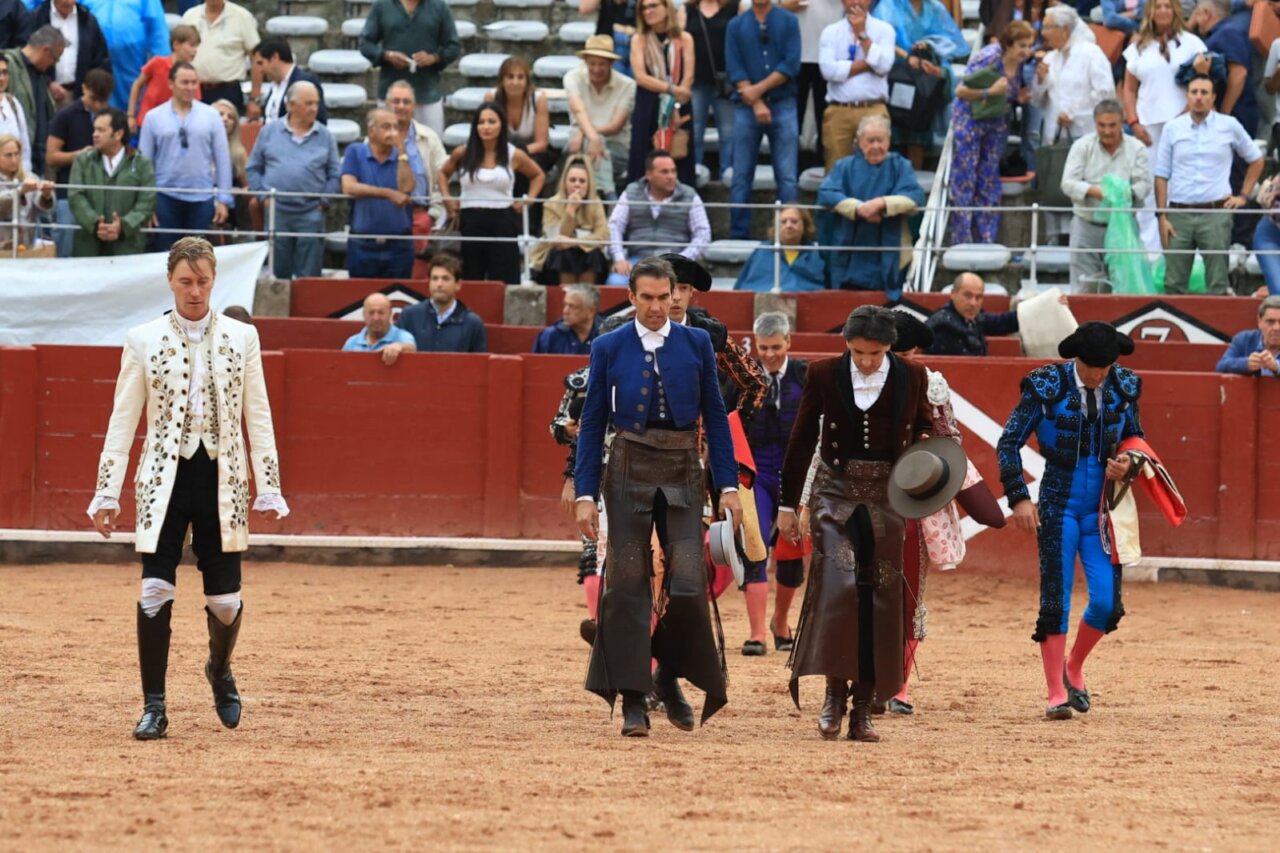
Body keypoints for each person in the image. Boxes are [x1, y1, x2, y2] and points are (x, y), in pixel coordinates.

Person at [87, 236, 288, 740]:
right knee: (155, 589)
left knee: (226, 601)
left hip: (223, 479)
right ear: (170, 281)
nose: (194, 291)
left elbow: (257, 415)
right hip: (163, 478)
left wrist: (269, 486)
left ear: (214, 280)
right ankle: (154, 705)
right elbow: (122, 420)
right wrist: (107, 491)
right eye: (185, 282)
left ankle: (219, 670)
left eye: (202, 282)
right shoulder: (143, 338)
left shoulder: (243, 337)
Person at [574, 256, 742, 737]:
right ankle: (633, 700)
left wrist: (727, 486)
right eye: (644, 298)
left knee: (689, 582)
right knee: (627, 583)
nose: (654, 307)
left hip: (684, 467)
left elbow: (715, 414)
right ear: (630, 298)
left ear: (675, 296)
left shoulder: (696, 343)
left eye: (662, 297)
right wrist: (586, 492)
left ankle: (666, 677)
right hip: (627, 468)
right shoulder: (608, 346)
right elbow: (591, 424)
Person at [775, 305, 934, 742]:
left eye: (875, 352)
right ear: (846, 344)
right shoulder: (824, 374)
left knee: (879, 600)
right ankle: (833, 696)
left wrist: (921, 449)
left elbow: (924, 426)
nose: (866, 360)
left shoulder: (912, 376)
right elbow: (803, 436)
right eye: (859, 352)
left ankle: (863, 706)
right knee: (838, 590)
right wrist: (789, 504)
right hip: (835, 492)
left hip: (888, 496)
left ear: (889, 347)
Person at [997, 322, 1143, 720]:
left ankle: (1074, 665)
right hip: (1057, 502)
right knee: (1055, 597)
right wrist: (1019, 498)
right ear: (1075, 358)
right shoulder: (1046, 384)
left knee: (1107, 604)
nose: (1098, 375)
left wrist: (1129, 462)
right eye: (1091, 367)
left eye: (1105, 367)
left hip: (1101, 510)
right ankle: (1055, 692)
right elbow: (1009, 441)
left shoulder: (1125, 386)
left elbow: (1136, 440)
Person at [725, 311, 808, 653]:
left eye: (777, 346)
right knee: (755, 543)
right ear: (755, 345)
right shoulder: (742, 378)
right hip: (754, 471)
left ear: (788, 342)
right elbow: (726, 426)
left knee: (791, 551)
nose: (770, 353)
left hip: (794, 471)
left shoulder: (806, 375)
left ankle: (781, 622)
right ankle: (757, 632)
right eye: (764, 347)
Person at [1153, 74, 1262, 295]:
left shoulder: (1229, 125)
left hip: (1216, 212)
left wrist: (1243, 196)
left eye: (1204, 93)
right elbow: (1161, 175)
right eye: (1194, 92)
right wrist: (1162, 216)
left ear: (1213, 97)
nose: (1199, 98)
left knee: (1217, 283)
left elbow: (1256, 159)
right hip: (1178, 214)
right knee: (1173, 284)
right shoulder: (1172, 128)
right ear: (1187, 96)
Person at [1122, 0, 1206, 253]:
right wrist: (1133, 121)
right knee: (1149, 189)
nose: (1162, 11)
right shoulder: (1138, 47)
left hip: (1185, 125)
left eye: (1167, 6)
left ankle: (1188, 252)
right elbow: (1128, 88)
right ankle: (1151, 252)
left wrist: (1188, 113)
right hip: (1148, 129)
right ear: (1150, 12)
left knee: (1184, 185)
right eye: (1157, 6)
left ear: (1175, 11)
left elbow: (1205, 82)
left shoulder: (1192, 43)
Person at [948, 20, 1035, 245]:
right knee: (966, 178)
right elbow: (961, 90)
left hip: (996, 122)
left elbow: (1009, 93)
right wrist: (989, 91)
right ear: (1009, 44)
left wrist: (1018, 97)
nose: (1026, 51)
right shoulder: (989, 56)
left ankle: (986, 238)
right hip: (970, 119)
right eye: (1022, 46)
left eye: (1029, 46)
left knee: (988, 179)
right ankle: (962, 239)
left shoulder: (1023, 64)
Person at [438, 103, 545, 284]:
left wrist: (528, 200)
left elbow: (538, 175)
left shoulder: (514, 154)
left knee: (505, 278)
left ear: (501, 125)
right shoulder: (463, 152)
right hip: (470, 220)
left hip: (502, 220)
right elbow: (442, 173)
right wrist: (448, 200)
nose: (486, 127)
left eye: (491, 121)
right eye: (481, 122)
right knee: (471, 277)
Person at [819, 115, 924, 298]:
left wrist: (881, 204)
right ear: (859, 142)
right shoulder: (844, 166)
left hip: (889, 241)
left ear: (889, 141)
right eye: (870, 141)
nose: (876, 146)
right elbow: (827, 192)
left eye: (880, 140)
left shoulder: (900, 166)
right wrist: (859, 209)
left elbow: (914, 195)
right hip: (850, 243)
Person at [245, 81, 341, 280]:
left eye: (316, 103)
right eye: (308, 103)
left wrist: (323, 203)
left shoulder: (325, 136)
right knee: (278, 273)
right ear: (291, 105)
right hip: (277, 212)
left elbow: (334, 175)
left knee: (310, 274)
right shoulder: (269, 131)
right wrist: (264, 198)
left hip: (311, 212)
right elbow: (253, 168)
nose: (314, 108)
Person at [724, 0, 800, 239]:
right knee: (741, 175)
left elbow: (791, 63)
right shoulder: (735, 25)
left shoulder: (789, 21)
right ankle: (738, 235)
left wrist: (758, 91)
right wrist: (756, 101)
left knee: (787, 176)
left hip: (783, 103)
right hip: (747, 108)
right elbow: (734, 68)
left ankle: (792, 235)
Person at [138, 62, 232, 251]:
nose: (190, 87)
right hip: (165, 196)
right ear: (171, 83)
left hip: (201, 196)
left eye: (193, 82)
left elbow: (222, 158)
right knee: (165, 255)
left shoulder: (211, 116)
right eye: (184, 82)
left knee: (197, 256)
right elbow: (145, 163)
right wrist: (145, 203)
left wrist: (224, 199)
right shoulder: (153, 117)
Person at [1061, 100, 1152, 289]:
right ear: (1095, 124)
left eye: (1112, 125)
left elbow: (1144, 185)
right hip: (1087, 226)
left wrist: (1122, 193)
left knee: (1124, 286)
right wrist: (1096, 192)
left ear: (1122, 123)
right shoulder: (1082, 146)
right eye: (1102, 125)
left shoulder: (1137, 148)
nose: (1107, 131)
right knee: (1084, 287)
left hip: (1124, 228)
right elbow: (1067, 183)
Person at [872, 0, 968, 169]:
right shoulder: (887, 6)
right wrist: (907, 56)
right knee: (891, 130)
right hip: (895, 74)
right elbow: (876, 39)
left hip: (924, 77)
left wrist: (929, 46)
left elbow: (951, 39)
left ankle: (914, 182)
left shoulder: (935, 8)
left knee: (918, 131)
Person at [359, 0, 460, 134]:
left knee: (430, 146)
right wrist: (387, 55)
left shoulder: (439, 6)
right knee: (387, 144)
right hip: (391, 93)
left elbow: (453, 46)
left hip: (427, 93)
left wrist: (434, 58)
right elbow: (365, 43)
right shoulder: (382, 6)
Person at [818, 0, 896, 173]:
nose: (856, 2)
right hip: (839, 109)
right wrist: (868, 64)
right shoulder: (830, 32)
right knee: (836, 170)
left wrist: (862, 34)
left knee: (876, 168)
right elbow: (828, 71)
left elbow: (883, 66)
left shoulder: (884, 30)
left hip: (873, 107)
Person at [608, 149, 710, 278]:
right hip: (637, 261)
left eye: (673, 171)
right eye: (664, 172)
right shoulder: (631, 192)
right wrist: (619, 258)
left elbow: (703, 234)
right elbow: (614, 225)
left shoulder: (689, 195)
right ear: (649, 174)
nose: (671, 176)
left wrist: (682, 260)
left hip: (675, 263)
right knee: (616, 283)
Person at [67, 106, 155, 256]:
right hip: (88, 248)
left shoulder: (141, 163)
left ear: (118, 134)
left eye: (101, 130)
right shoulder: (83, 161)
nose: (95, 135)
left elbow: (147, 202)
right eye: (95, 129)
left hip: (127, 249)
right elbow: (75, 195)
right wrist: (95, 225)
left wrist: (124, 226)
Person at [341, 107, 416, 279]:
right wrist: (388, 193)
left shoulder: (402, 157)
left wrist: (402, 153)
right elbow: (349, 187)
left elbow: (406, 188)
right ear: (371, 131)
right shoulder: (355, 151)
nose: (393, 132)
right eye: (386, 127)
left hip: (399, 245)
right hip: (363, 244)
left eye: (396, 127)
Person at [628, 0, 696, 187]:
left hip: (679, 104)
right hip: (649, 103)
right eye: (644, 8)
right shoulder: (638, 39)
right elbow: (641, 76)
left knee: (680, 154)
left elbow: (688, 76)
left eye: (653, 6)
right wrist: (671, 89)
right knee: (644, 153)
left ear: (667, 8)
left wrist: (676, 97)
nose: (648, 11)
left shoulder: (685, 38)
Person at [45, 67, 111, 257]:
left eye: (102, 101)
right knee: (66, 243)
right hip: (67, 193)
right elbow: (51, 157)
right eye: (93, 100)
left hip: (101, 194)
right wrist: (79, 155)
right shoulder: (65, 116)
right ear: (83, 88)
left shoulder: (111, 117)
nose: (97, 105)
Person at [384, 80, 448, 278]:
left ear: (414, 106)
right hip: (386, 218)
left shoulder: (429, 137)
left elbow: (442, 175)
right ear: (387, 104)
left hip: (420, 217)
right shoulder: (375, 137)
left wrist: (434, 214)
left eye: (406, 101)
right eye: (396, 101)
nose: (401, 106)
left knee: (418, 281)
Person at [564, 35, 637, 198]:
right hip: (580, 146)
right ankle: (609, 195)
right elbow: (578, 109)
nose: (596, 69)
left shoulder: (628, 85)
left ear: (611, 63)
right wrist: (593, 138)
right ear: (585, 61)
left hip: (616, 147)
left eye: (602, 64)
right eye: (592, 64)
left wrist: (588, 134)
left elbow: (615, 126)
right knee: (594, 143)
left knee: (596, 143)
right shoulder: (572, 78)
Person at [1030, 6, 1115, 145]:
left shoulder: (1091, 53)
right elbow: (1037, 101)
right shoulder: (1050, 58)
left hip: (1085, 134)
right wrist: (1041, 80)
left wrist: (1072, 112)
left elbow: (1105, 92)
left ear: (1064, 29)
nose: (1043, 33)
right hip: (1054, 139)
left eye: (1047, 28)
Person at [532, 154, 611, 285]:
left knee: (594, 254)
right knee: (564, 254)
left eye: (582, 181)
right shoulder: (551, 203)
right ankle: (566, 298)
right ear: (565, 183)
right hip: (555, 258)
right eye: (572, 180)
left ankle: (586, 299)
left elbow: (602, 236)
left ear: (588, 184)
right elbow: (556, 240)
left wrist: (574, 242)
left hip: (587, 254)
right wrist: (570, 210)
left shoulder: (595, 202)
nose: (577, 185)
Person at [79, 0, 169, 111]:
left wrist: (163, 65)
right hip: (95, 57)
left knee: (134, 97)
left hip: (132, 59)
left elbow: (157, 27)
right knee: (96, 96)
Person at [21, 0, 113, 107]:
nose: (68, 2)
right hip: (45, 97)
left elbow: (101, 59)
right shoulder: (36, 18)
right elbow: (26, 56)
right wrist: (47, 82)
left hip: (80, 96)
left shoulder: (88, 21)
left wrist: (91, 90)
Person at [2, 25, 66, 176]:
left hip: (34, 162)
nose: (54, 64)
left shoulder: (41, 76)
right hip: (10, 166)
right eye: (55, 58)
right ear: (45, 50)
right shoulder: (8, 66)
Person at [1187, 0, 1256, 138]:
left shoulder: (1227, 32)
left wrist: (1224, 113)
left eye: (1197, 14)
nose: (1196, 21)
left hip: (1236, 114)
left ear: (1206, 14)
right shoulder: (1220, 33)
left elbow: (1239, 73)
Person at [397, 252, 489, 353]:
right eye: (435, 278)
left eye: (445, 278)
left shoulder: (473, 323)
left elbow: (478, 365)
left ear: (458, 284)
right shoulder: (409, 316)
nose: (439, 284)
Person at [685, 0, 735, 180]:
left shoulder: (735, 7)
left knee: (728, 131)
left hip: (726, 79)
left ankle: (728, 173)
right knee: (695, 128)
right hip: (696, 78)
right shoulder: (688, 9)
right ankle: (694, 170)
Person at [180, 0, 258, 113]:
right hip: (194, 90)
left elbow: (257, 58)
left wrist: (254, 99)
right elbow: (179, 54)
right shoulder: (190, 16)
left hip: (228, 91)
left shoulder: (242, 16)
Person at [792, 0, 842, 169]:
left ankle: (823, 159)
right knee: (795, 112)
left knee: (825, 112)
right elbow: (783, 6)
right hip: (798, 53)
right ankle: (793, 163)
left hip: (829, 55)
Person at [126, 24, 199, 135]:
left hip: (174, 127)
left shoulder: (192, 74)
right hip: (147, 122)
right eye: (191, 46)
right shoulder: (157, 63)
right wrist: (131, 115)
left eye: (196, 46)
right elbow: (137, 85)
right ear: (176, 45)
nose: (195, 51)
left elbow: (196, 101)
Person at [734, 204, 826, 291]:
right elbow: (743, 286)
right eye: (783, 222)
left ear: (804, 226)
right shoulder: (762, 251)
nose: (788, 226)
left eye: (794, 221)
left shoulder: (816, 254)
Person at [925, 272, 1019, 355]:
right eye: (967, 296)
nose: (973, 303)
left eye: (978, 297)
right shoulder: (942, 328)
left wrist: (1029, 312)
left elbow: (1001, 323)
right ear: (953, 294)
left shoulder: (973, 317)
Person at [247, 38, 327, 125]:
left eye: (260, 63)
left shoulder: (305, 82)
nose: (259, 70)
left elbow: (318, 122)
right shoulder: (274, 86)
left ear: (275, 57)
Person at [0, 131, 53, 249]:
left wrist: (46, 195)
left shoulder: (30, 177)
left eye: (17, 154)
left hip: (27, 246)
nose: (14, 159)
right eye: (8, 155)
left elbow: (44, 211)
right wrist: (20, 191)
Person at [341, 292, 418, 365]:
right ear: (364, 315)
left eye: (381, 312)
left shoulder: (403, 337)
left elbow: (411, 348)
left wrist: (400, 346)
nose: (376, 318)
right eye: (371, 313)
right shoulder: (351, 343)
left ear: (390, 314)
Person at [1215, 296, 1280, 376]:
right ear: (1259, 322)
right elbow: (1221, 366)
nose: (1277, 328)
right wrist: (1246, 364)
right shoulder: (1244, 339)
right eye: (1270, 321)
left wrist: (1276, 366)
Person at [533, 283, 603, 355]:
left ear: (591, 311)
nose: (565, 311)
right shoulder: (549, 336)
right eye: (565, 305)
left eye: (572, 307)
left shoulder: (606, 336)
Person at [211, 98, 247, 232]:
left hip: (230, 208)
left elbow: (250, 188)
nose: (225, 119)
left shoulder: (238, 153)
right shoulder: (198, 149)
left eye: (230, 117)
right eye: (220, 114)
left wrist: (237, 191)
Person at [0, 54, 31, 174]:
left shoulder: (13, 103)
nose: (1, 78)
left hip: (15, 180)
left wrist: (24, 175)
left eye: (4, 73)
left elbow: (25, 147)